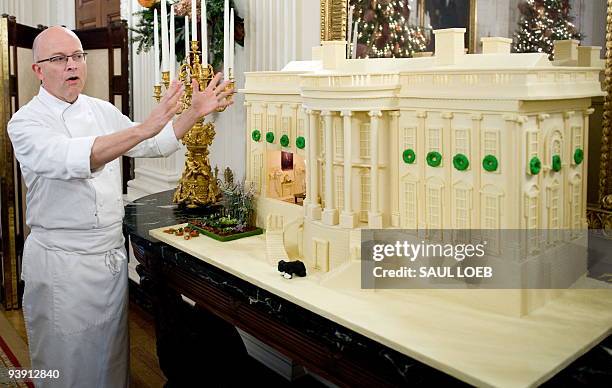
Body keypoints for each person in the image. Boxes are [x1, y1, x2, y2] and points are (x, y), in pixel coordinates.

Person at [7, 26, 233, 387]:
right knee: (66, 365)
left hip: (108, 259)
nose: (72, 65)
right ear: (38, 69)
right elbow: (77, 158)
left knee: (110, 362)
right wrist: (144, 128)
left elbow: (153, 144)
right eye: (59, 59)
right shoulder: (25, 122)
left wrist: (195, 112)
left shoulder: (100, 110)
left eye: (78, 56)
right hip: (63, 265)